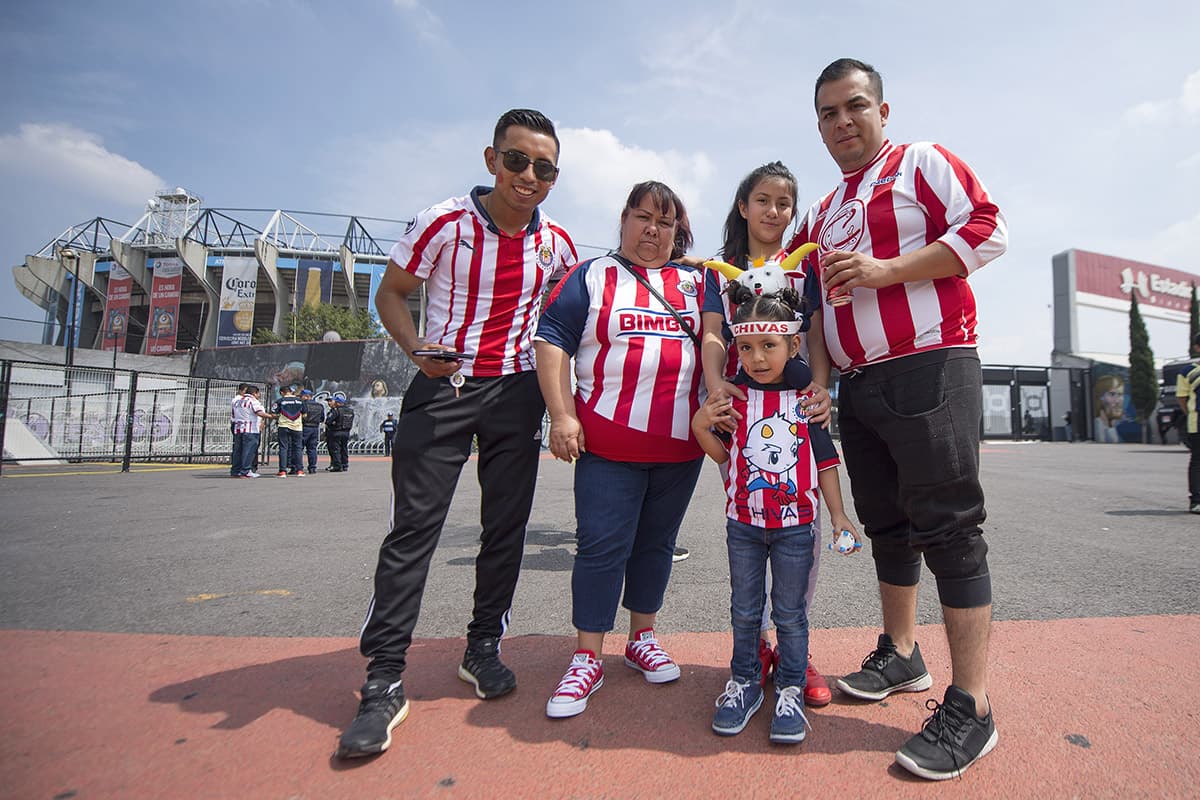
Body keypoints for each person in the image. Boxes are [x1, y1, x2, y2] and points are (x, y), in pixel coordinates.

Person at [785, 58, 1007, 779]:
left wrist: (889, 269)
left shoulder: (921, 162)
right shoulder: (820, 211)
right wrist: (820, 384)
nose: (842, 121)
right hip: (857, 384)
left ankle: (972, 705)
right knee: (888, 525)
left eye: (854, 105)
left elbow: (988, 229)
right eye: (828, 113)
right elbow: (804, 305)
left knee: (950, 526)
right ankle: (902, 653)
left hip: (930, 362)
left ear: (883, 110)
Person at [336, 109, 576, 760]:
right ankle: (384, 677)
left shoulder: (557, 242)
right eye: (517, 160)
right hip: (445, 385)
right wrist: (415, 349)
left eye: (545, 168)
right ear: (492, 159)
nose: (529, 176)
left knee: (506, 528)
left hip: (516, 392)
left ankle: (483, 646)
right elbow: (390, 293)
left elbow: (568, 316)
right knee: (414, 528)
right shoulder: (443, 222)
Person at [535, 180, 703, 720]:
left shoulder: (699, 284)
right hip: (607, 446)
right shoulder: (590, 276)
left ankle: (642, 637)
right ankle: (587, 655)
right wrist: (562, 415)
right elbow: (551, 342)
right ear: (624, 220)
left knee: (657, 545)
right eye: (642, 217)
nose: (653, 230)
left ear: (677, 232)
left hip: (681, 449)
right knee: (601, 546)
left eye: (665, 222)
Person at [692, 287, 860, 744]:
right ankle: (745, 681)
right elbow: (720, 454)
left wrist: (839, 515)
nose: (758, 358)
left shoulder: (808, 402)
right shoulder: (734, 399)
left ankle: (789, 688)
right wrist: (700, 426)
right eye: (746, 347)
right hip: (743, 526)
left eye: (769, 345)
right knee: (745, 610)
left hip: (796, 529)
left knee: (790, 613)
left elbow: (825, 462)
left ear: (793, 344)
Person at [700, 161, 834, 709]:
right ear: (743, 206)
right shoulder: (720, 270)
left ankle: (795, 650)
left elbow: (816, 333)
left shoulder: (804, 269)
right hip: (739, 413)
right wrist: (716, 387)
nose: (773, 211)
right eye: (762, 200)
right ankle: (753, 650)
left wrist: (820, 386)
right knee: (749, 519)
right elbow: (712, 334)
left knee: (803, 530)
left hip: (796, 412)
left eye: (784, 203)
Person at [1176, 333, 1200, 513]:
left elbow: (1182, 399)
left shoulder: (1188, 371)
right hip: (1197, 422)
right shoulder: (1188, 371)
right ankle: (1196, 500)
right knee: (1198, 461)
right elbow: (1182, 398)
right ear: (1197, 348)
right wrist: (1190, 413)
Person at [232, 386, 275, 478]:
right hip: (250, 429)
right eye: (258, 394)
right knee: (248, 451)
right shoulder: (252, 401)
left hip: (238, 428)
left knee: (238, 451)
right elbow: (259, 412)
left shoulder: (237, 401)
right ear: (255, 393)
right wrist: (272, 416)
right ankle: (245, 471)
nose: (259, 395)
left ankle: (235, 471)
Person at [272, 384, 305, 476]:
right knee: (298, 448)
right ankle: (300, 470)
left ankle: (282, 471)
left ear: (282, 393)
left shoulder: (280, 401)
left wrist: (279, 417)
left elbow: (274, 414)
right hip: (297, 427)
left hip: (283, 426)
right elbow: (305, 414)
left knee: (283, 448)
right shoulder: (300, 401)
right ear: (290, 391)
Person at [324, 393, 352, 472]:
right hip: (346, 432)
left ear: (338, 402)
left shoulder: (336, 411)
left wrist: (332, 424)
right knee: (344, 449)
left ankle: (337, 466)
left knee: (336, 449)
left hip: (336, 432)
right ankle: (344, 465)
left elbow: (328, 421)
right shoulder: (350, 410)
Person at [1092, 375, 1125, 443]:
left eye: (1120, 394)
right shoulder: (1098, 423)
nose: (1117, 400)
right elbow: (1102, 443)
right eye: (1112, 394)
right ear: (1100, 397)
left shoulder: (1114, 422)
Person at [299, 388, 324, 473]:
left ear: (306, 396)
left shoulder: (303, 404)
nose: (300, 398)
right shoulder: (320, 406)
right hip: (315, 428)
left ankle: (298, 467)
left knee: (299, 448)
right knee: (312, 449)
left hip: (304, 427)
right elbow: (322, 418)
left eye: (301, 396)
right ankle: (312, 468)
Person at [229, 383, 248, 477]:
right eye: (245, 391)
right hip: (240, 424)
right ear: (240, 390)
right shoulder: (238, 400)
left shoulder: (238, 400)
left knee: (239, 448)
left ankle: (237, 469)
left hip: (238, 424)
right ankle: (239, 469)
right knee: (240, 448)